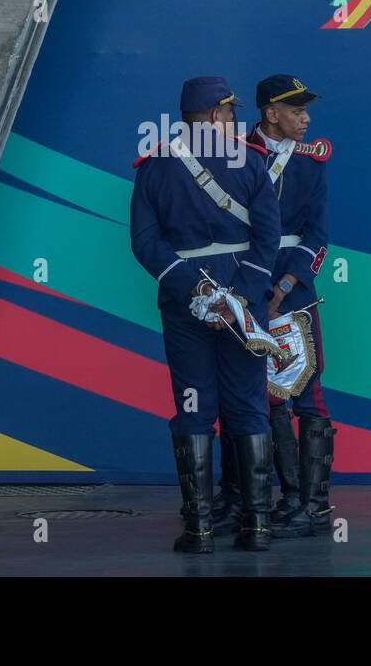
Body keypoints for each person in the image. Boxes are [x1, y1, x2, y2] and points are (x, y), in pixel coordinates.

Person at [129, 76, 282, 552]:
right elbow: (268, 238)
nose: (234, 119)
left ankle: (199, 530)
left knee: (194, 408)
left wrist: (195, 289)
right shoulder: (252, 162)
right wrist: (238, 296)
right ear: (215, 116)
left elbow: (145, 244)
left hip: (184, 304)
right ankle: (256, 527)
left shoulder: (154, 166)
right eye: (230, 112)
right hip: (244, 300)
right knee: (249, 405)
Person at [214, 74, 336, 538]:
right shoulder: (232, 154)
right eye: (296, 110)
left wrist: (286, 282)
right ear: (271, 114)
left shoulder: (312, 165)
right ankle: (252, 501)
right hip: (241, 289)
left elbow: (318, 235)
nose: (306, 119)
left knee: (305, 390)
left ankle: (313, 505)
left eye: (307, 111)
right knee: (247, 394)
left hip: (292, 291)